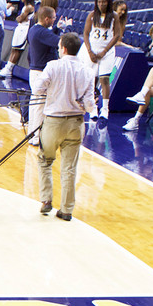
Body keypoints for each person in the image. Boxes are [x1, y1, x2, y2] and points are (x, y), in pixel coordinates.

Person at [35, 32, 97, 221]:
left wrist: (52, 92)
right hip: (76, 123)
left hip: (53, 121)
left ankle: (46, 200)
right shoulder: (87, 71)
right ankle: (66, 210)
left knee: (45, 160)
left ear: (63, 48)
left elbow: (37, 88)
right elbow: (89, 104)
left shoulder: (53, 66)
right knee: (69, 168)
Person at [83, 0, 123, 123]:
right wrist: (89, 52)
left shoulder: (114, 17)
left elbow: (117, 35)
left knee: (105, 79)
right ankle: (93, 107)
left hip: (107, 52)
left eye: (104, 2)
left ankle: (105, 108)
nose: (101, 4)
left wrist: (105, 51)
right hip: (93, 51)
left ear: (108, 3)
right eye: (99, 2)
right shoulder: (91, 15)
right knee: (91, 80)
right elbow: (86, 34)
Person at [26, 6, 63, 144]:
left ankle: (33, 134)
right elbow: (60, 42)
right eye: (53, 18)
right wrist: (65, 29)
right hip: (41, 73)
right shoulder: (41, 32)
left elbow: (49, 37)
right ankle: (37, 137)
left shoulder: (34, 29)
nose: (54, 20)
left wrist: (56, 29)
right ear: (46, 19)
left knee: (35, 104)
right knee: (40, 106)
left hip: (35, 72)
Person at [0, 0, 35, 77]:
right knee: (14, 48)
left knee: (17, 49)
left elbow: (19, 19)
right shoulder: (26, 7)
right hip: (20, 28)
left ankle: (10, 68)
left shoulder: (29, 8)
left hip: (24, 29)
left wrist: (20, 17)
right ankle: (8, 66)